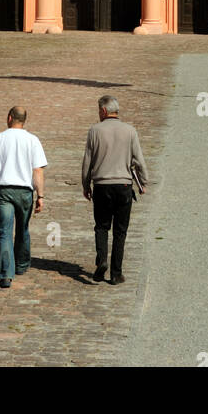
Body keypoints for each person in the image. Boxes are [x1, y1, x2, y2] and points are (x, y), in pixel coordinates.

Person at [81, 95, 148, 284]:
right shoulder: (130, 131)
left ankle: (102, 259)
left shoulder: (94, 130)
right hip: (124, 186)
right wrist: (144, 182)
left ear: (103, 111)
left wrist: (86, 185)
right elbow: (139, 161)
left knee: (101, 226)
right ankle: (116, 273)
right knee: (120, 231)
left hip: (102, 186)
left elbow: (88, 161)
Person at [0, 105, 47, 289]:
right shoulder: (33, 140)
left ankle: (5, 274)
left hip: (4, 191)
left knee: (5, 232)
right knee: (23, 229)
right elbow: (38, 170)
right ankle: (22, 265)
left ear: (9, 118)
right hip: (25, 191)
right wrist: (40, 195)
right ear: (24, 120)